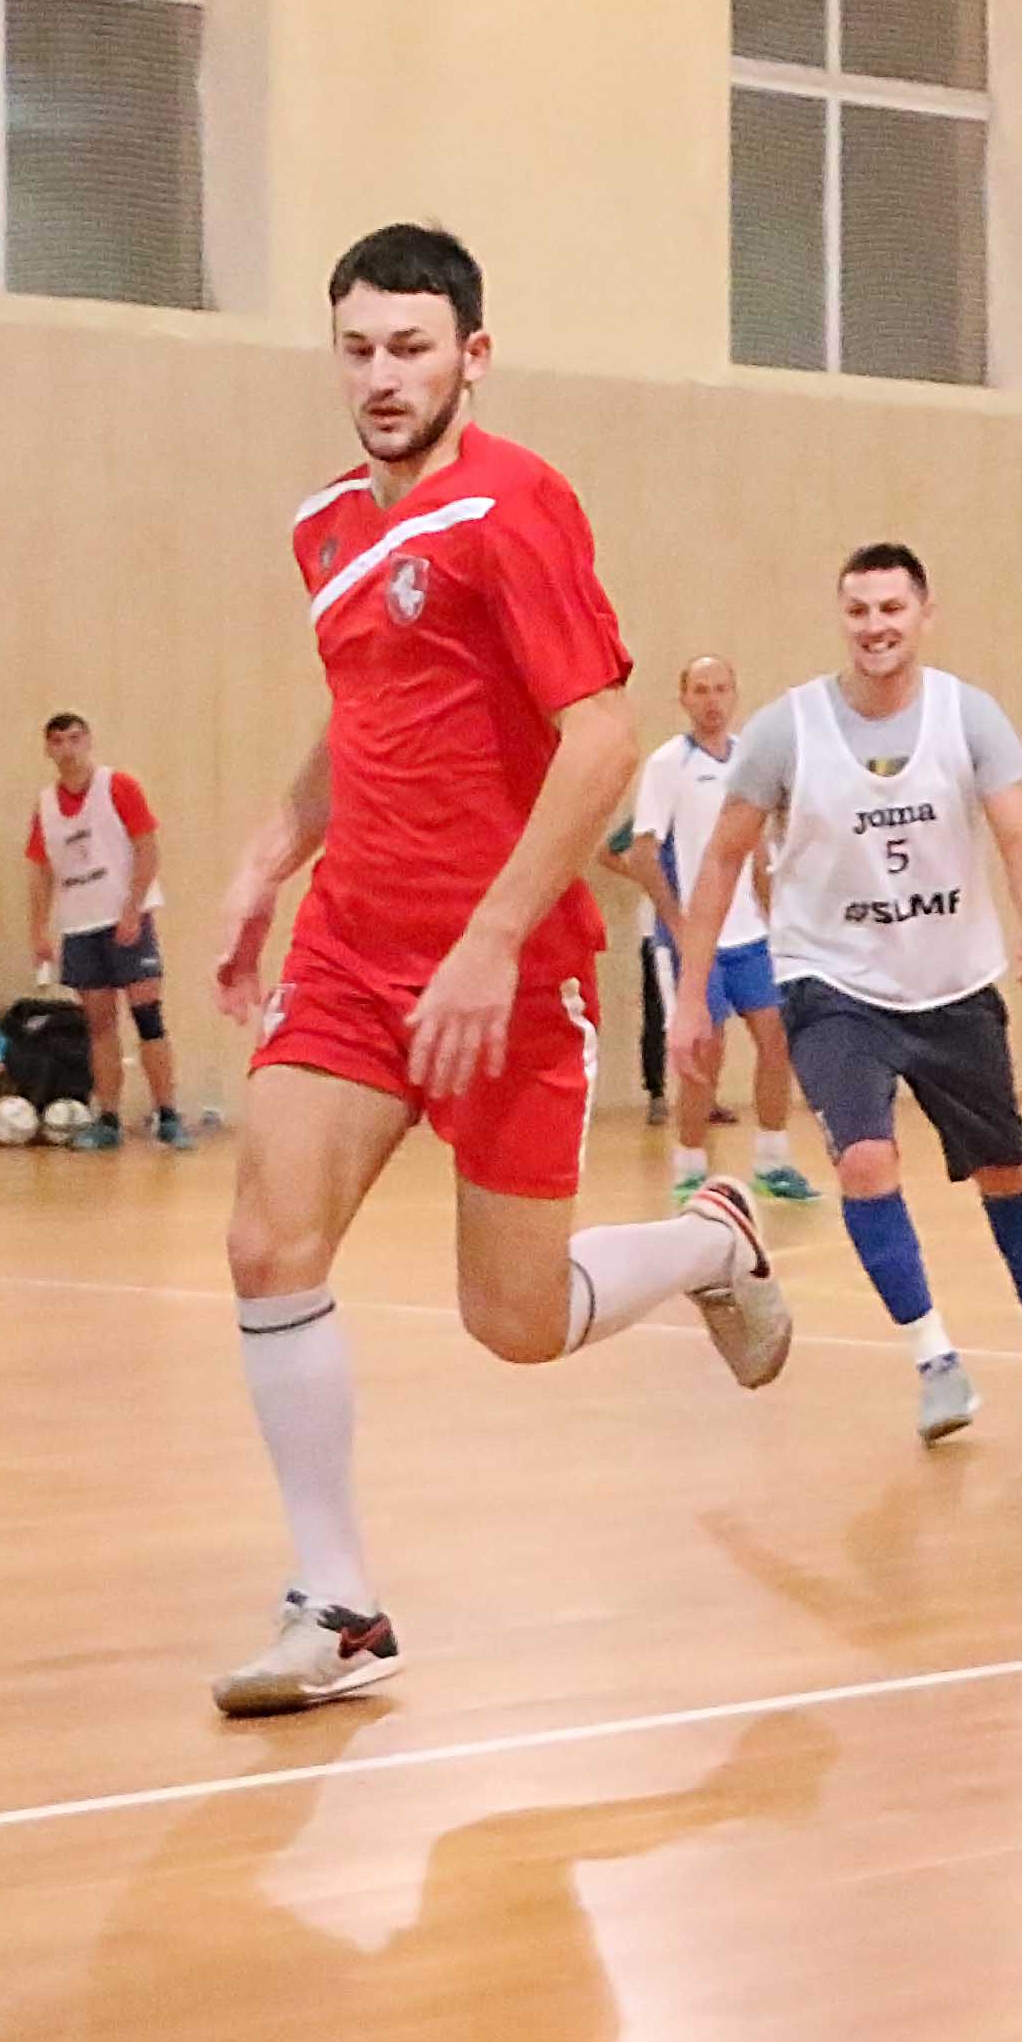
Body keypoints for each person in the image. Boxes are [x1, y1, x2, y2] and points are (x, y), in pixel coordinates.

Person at [201, 228, 792, 1717]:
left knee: (516, 1323)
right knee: (269, 1246)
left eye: (411, 348)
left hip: (508, 975)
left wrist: (489, 940)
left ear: (472, 355)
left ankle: (710, 1242)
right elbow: (365, 714)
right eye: (357, 349)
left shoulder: (516, 505)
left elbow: (600, 740)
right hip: (354, 951)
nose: (381, 377)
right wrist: (270, 858)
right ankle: (339, 1606)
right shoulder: (324, 528)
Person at [669, 548, 1022, 1447]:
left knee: (1006, 1169)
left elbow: (1019, 833)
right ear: (841, 618)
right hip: (832, 983)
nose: (875, 625)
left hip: (952, 982)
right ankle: (934, 1361)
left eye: (891, 608)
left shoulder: (968, 715)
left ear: (924, 615)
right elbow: (720, 862)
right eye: (859, 610)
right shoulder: (788, 729)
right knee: (865, 1161)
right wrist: (692, 997)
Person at [605, 654, 819, 1209]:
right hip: (694, 939)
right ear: (684, 698)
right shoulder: (668, 764)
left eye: (721, 688)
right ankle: (690, 1167)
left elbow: (758, 850)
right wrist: (679, 925)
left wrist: (777, 920)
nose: (712, 700)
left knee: (776, 1037)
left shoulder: (751, 758)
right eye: (700, 690)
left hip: (750, 936)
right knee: (705, 1050)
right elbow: (642, 852)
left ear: (735, 694)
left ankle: (773, 1160)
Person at [28, 713, 186, 1146]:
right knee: (99, 1025)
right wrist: (39, 930)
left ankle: (168, 1114)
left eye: (74, 739)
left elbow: (147, 849)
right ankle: (109, 1120)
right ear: (48, 749)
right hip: (81, 924)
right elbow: (40, 871)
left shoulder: (118, 787)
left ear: (88, 741)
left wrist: (133, 909)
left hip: (125, 919)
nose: (68, 749)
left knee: (147, 1015)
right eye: (58, 742)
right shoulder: (46, 806)